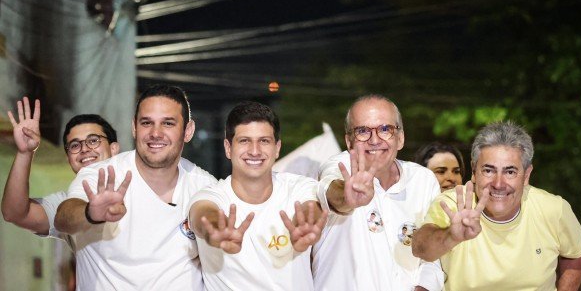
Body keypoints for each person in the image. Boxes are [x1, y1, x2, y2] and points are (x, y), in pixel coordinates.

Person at [55, 85, 217, 290]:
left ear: (188, 131)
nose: (155, 133)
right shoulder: (100, 175)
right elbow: (64, 217)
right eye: (146, 123)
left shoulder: (204, 185)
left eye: (168, 123)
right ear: (134, 127)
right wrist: (90, 213)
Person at [412, 121, 581, 291]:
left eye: (510, 171)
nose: (498, 183)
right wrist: (451, 235)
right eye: (488, 170)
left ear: (526, 175)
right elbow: (420, 249)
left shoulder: (553, 208)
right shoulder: (454, 204)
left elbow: (579, 252)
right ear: (474, 172)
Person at [188, 101, 327, 290]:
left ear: (277, 148)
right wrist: (214, 230)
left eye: (264, 141)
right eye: (244, 141)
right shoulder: (211, 196)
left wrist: (308, 223)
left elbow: (311, 206)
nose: (255, 151)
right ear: (228, 148)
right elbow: (202, 214)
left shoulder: (298, 187)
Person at [313, 94, 443, 291]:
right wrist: (348, 198)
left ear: (400, 138)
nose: (374, 140)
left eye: (385, 129)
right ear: (349, 141)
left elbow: (431, 261)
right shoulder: (340, 167)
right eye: (363, 131)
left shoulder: (423, 181)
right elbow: (330, 191)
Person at [2, 97, 120, 290]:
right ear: (69, 158)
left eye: (93, 140)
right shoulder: (68, 206)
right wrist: (25, 153)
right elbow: (14, 213)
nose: (84, 149)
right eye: (75, 145)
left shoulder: (144, 187)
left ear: (114, 149)